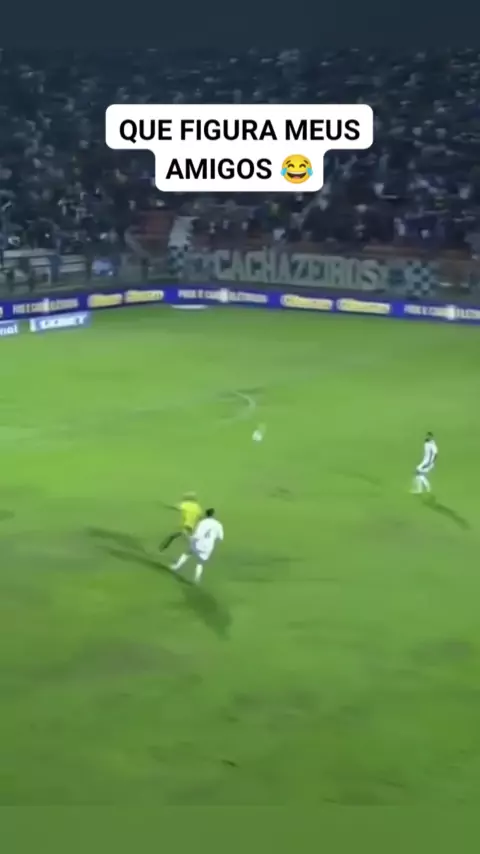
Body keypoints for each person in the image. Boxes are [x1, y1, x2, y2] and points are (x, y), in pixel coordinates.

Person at [170, 508, 224, 583]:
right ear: (213, 515)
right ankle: (197, 578)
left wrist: (190, 538)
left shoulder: (203, 522)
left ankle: (176, 566)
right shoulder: (218, 524)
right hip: (208, 547)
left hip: (198, 543)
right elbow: (220, 538)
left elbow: (198, 535)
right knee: (200, 562)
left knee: (187, 553)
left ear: (206, 514)